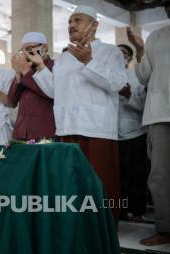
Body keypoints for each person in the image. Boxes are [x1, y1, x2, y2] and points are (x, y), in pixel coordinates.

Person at [32, 5, 128, 221]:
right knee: (71, 182)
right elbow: (54, 91)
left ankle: (106, 227)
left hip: (97, 128)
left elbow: (117, 83)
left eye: (78, 20)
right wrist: (40, 67)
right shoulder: (64, 57)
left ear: (94, 25)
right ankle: (77, 226)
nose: (72, 25)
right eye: (69, 22)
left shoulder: (110, 51)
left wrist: (89, 61)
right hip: (67, 126)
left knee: (100, 182)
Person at [127, 0, 170, 245]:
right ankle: (165, 228)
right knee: (161, 175)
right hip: (160, 112)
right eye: (166, 3)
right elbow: (143, 76)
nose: (168, 6)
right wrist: (140, 49)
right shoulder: (156, 36)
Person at [116, 44, 148, 223]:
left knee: (136, 175)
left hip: (134, 134)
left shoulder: (136, 77)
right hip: (112, 135)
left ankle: (137, 212)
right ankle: (119, 211)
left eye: (122, 54)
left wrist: (128, 95)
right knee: (118, 175)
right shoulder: (106, 77)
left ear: (128, 59)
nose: (118, 56)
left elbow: (142, 106)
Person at [5, 32, 55, 141]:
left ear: (44, 48)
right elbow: (11, 101)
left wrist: (26, 72)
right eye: (23, 51)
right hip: (22, 132)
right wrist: (18, 74)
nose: (26, 54)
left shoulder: (55, 66)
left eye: (30, 48)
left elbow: (50, 93)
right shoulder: (25, 67)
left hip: (45, 131)